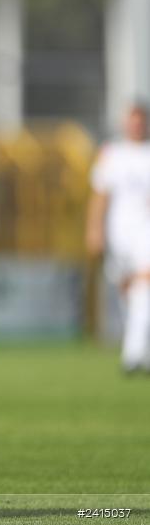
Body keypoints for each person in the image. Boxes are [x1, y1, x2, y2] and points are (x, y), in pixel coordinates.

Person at [87, 103, 150, 373]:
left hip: (146, 230)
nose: (135, 126)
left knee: (144, 285)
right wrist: (94, 228)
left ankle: (132, 355)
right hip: (119, 233)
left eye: (140, 121)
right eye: (131, 121)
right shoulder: (112, 154)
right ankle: (141, 351)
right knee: (127, 291)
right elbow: (100, 195)